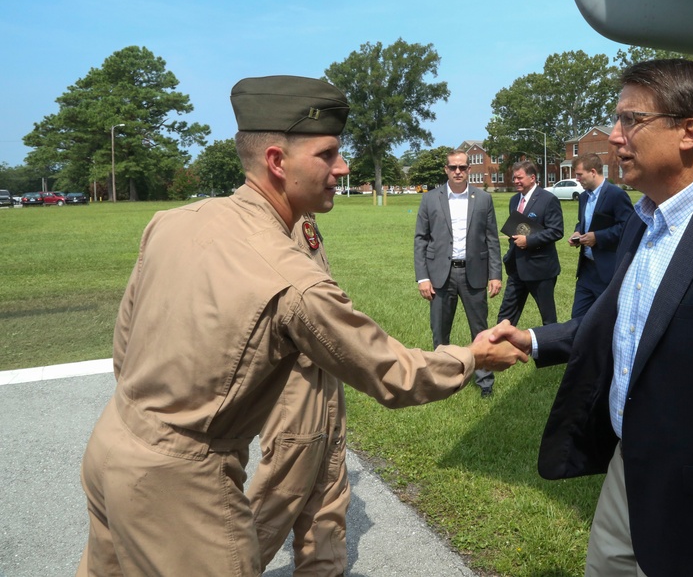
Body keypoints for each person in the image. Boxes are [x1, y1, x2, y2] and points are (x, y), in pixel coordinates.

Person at [75, 75, 525, 577]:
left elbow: (124, 346)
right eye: (328, 154)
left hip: (111, 446)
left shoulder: (172, 221)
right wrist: (474, 356)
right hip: (178, 485)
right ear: (276, 161)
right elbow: (394, 374)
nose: (343, 167)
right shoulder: (290, 277)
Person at [488, 59, 693, 576]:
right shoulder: (644, 221)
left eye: (630, 121)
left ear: (689, 131)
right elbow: (619, 321)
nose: (614, 138)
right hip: (626, 470)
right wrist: (531, 339)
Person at [247, 214, 349, 575]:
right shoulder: (275, 221)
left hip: (324, 369)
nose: (340, 168)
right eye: (325, 155)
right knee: (281, 492)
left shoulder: (302, 216)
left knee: (328, 486)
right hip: (298, 374)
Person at [414, 150, 503, 398]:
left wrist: (495, 274)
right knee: (440, 330)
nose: (457, 172)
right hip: (440, 275)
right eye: (453, 167)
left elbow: (492, 239)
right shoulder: (430, 199)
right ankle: (441, 380)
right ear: (445, 169)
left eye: (462, 167)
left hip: (474, 274)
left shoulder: (483, 199)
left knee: (480, 331)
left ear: (469, 170)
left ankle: (484, 381)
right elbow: (421, 239)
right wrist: (423, 277)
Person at [496, 160, 563, 327]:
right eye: (514, 178)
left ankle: (551, 351)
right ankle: (501, 350)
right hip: (516, 268)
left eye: (519, 178)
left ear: (532, 178)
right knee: (505, 317)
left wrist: (529, 240)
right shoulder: (514, 200)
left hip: (540, 269)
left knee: (548, 319)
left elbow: (556, 231)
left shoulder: (548, 199)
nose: (516, 181)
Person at [567, 153, 633, 318]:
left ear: (593, 172)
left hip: (608, 271)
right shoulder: (583, 197)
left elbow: (628, 227)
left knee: (606, 321)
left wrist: (598, 237)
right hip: (586, 270)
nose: (577, 179)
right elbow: (582, 222)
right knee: (578, 318)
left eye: (580, 175)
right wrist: (578, 232)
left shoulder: (616, 195)